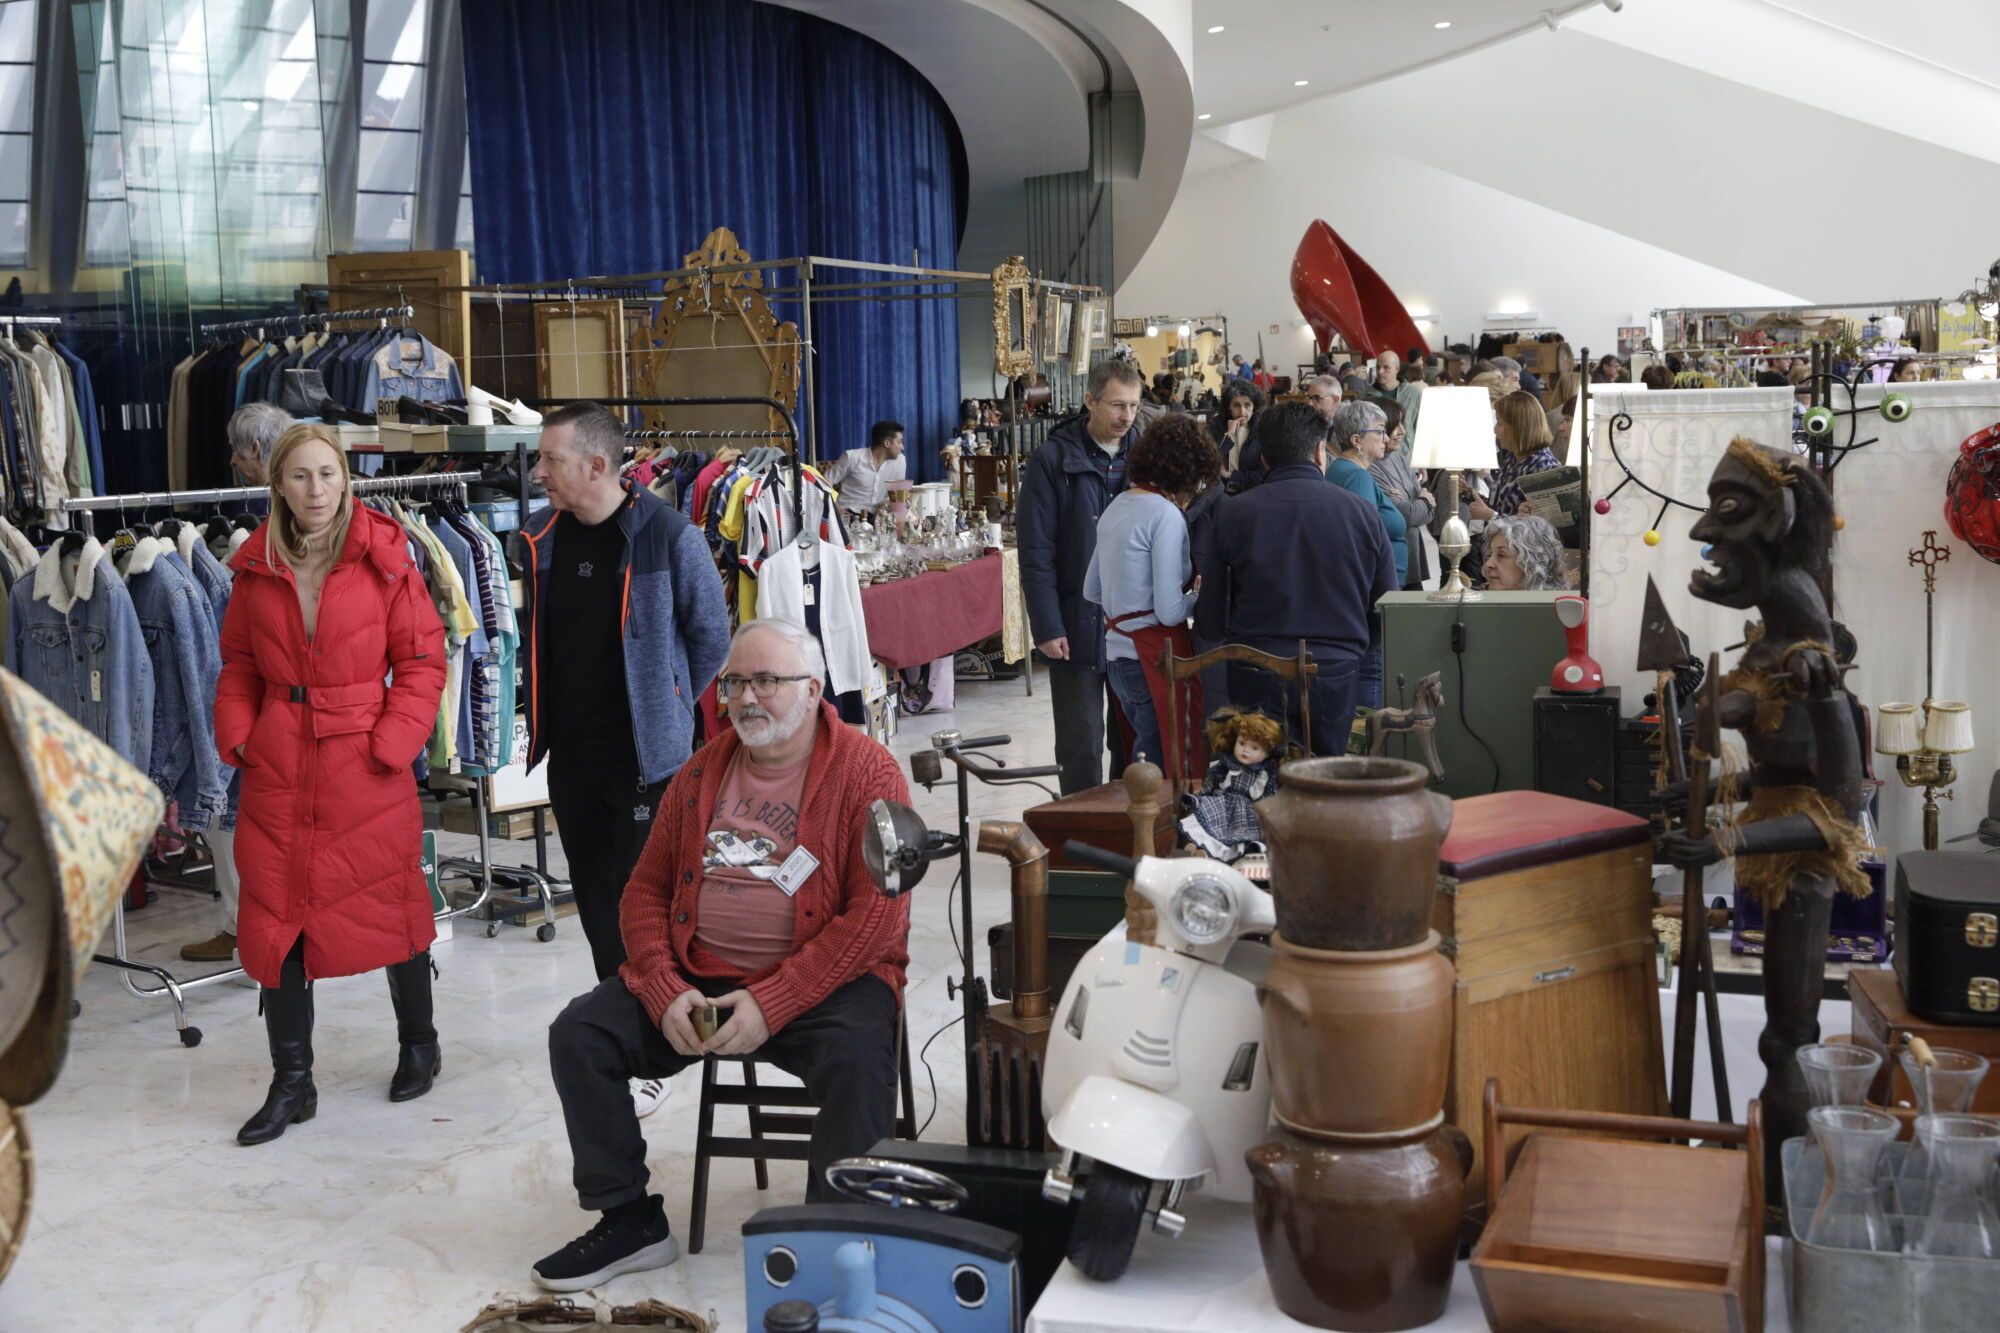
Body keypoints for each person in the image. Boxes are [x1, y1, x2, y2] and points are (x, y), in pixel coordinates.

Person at [534, 618, 911, 1292]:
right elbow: (644, 892)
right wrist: (663, 988)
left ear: (813, 689)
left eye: (766, 680)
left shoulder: (866, 771)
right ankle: (629, 1220)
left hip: (824, 985)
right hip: (701, 983)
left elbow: (878, 918)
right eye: (735, 681)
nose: (745, 697)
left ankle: (837, 1245)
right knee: (581, 1033)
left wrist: (776, 1000)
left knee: (859, 1061)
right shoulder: (701, 770)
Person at [215, 424, 447, 1145]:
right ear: (277, 485)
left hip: (365, 764)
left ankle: (420, 1042)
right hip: (281, 765)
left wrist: (393, 741)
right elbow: (238, 666)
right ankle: (293, 1082)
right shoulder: (254, 565)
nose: (317, 490)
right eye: (301, 476)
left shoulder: (384, 554)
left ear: (347, 478)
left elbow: (422, 658)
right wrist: (243, 735)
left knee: (392, 904)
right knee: (274, 916)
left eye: (329, 474)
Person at [520, 404, 731, 1012]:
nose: (539, 472)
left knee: (641, 904)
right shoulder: (540, 539)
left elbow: (713, 637)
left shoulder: (669, 536)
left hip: (645, 763)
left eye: (550, 460)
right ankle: (622, 1018)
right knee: (593, 902)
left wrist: (666, 701)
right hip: (572, 760)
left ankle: (659, 1021)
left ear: (595, 465)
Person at [1194, 403, 1396, 756]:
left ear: (1264, 459)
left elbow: (1210, 621)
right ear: (1321, 451)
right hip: (1334, 666)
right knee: (1325, 777)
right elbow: (1386, 606)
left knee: (1255, 777)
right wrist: (1352, 647)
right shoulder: (1361, 512)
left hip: (1254, 662)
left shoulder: (1234, 513)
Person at [181, 402, 294, 965]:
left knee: (240, 812)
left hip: (277, 698)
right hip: (281, 698)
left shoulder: (276, 518)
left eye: (236, 450)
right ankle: (255, 927)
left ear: (255, 452)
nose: (231, 460)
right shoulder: (289, 509)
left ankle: (247, 927)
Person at [1018, 360, 1141, 794]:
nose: (1126, 417)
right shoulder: (1052, 460)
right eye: (1117, 405)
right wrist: (1047, 626)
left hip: (1135, 625)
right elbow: (1036, 552)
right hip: (1074, 623)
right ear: (1090, 401)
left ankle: (1130, 832)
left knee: (1134, 745)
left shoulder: (1146, 457)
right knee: (1080, 745)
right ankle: (1082, 840)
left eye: (1133, 406)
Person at [1082, 414, 1222, 775]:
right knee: (1166, 770)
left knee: (1141, 761)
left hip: (1117, 656)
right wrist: (1198, 596)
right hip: (1153, 657)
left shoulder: (1118, 506)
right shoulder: (1164, 515)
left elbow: (1091, 589)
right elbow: (1169, 612)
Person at [1325, 399, 1406, 717]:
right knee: (1371, 675)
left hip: (1360, 597)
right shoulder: (1356, 476)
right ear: (1356, 440)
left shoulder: (1344, 471)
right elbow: (1363, 542)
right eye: (1379, 432)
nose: (1386, 438)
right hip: (1371, 600)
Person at [1370, 399, 1435, 591]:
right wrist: (1423, 501)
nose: (1402, 431)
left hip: (1413, 561)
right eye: (1395, 425)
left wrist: (1419, 504)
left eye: (1402, 423)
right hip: (1392, 563)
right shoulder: (1370, 466)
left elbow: (1427, 514)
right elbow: (1404, 515)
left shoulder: (1400, 459)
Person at [1489, 389, 1562, 519]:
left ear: (1517, 426)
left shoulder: (1544, 467)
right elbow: (1499, 506)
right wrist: (1469, 494)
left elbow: (1541, 527)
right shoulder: (1512, 458)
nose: (1495, 430)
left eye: (1499, 422)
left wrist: (1491, 516)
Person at [821, 420, 908, 518]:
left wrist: (885, 506)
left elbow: (898, 496)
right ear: (887, 443)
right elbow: (823, 482)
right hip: (849, 516)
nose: (902, 447)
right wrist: (834, 507)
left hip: (879, 518)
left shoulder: (900, 460)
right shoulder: (851, 457)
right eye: (899, 442)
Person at [1481, 513, 1566, 591]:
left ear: (1531, 564)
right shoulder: (1481, 600)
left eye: (1501, 555)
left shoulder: (1557, 606)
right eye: (1489, 555)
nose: (1488, 564)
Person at [1212, 380, 1266, 476]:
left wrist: (1232, 477)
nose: (1242, 412)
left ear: (1254, 406)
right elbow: (1211, 462)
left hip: (1251, 488)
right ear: (1229, 406)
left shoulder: (1262, 429)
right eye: (1236, 405)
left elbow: (1263, 475)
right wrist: (1229, 435)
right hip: (1221, 489)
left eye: (1247, 405)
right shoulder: (1216, 425)